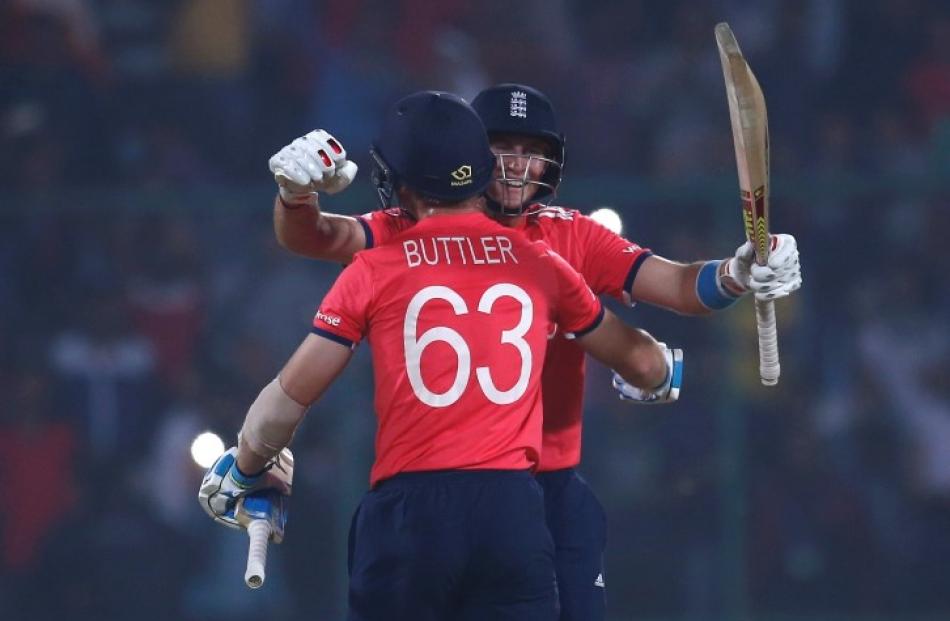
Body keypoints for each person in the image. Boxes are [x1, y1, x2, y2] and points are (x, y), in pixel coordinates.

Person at [266, 83, 801, 620]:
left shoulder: (569, 235)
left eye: (531, 151)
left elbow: (682, 287)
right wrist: (294, 196)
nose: (517, 165)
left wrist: (735, 274)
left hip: (545, 492)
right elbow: (312, 236)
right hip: (465, 490)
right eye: (502, 148)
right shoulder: (410, 225)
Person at [201, 90, 683, 621]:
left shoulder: (375, 263)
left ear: (401, 181)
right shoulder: (541, 261)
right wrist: (659, 368)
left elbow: (288, 400)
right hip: (513, 516)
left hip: (412, 514)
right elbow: (639, 362)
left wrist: (244, 469)